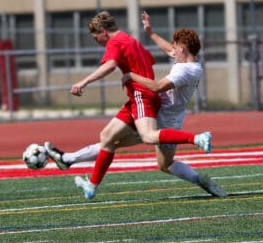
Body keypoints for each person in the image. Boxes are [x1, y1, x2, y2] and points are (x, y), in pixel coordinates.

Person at [46, 11, 214, 200]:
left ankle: (198, 139)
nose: (97, 42)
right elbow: (161, 55)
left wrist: (84, 82)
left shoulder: (118, 42)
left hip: (148, 101)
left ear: (103, 30)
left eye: (96, 38)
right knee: (109, 139)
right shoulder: (131, 40)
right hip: (141, 100)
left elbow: (113, 66)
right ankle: (81, 175)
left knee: (149, 140)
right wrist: (150, 32)